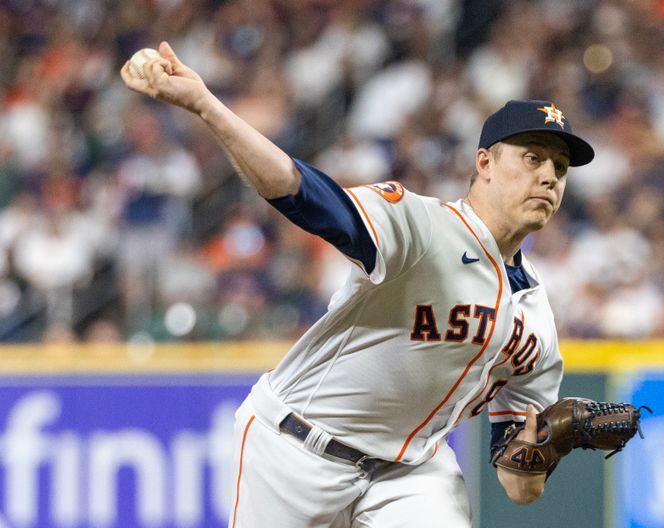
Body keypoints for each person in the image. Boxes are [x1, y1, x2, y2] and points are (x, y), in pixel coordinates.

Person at [121, 41, 595, 527]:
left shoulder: (537, 320)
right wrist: (206, 105)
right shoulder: (421, 226)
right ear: (484, 164)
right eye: (533, 158)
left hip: (411, 472)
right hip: (294, 447)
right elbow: (301, 192)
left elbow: (520, 488)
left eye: (559, 169)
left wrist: (544, 448)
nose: (549, 178)